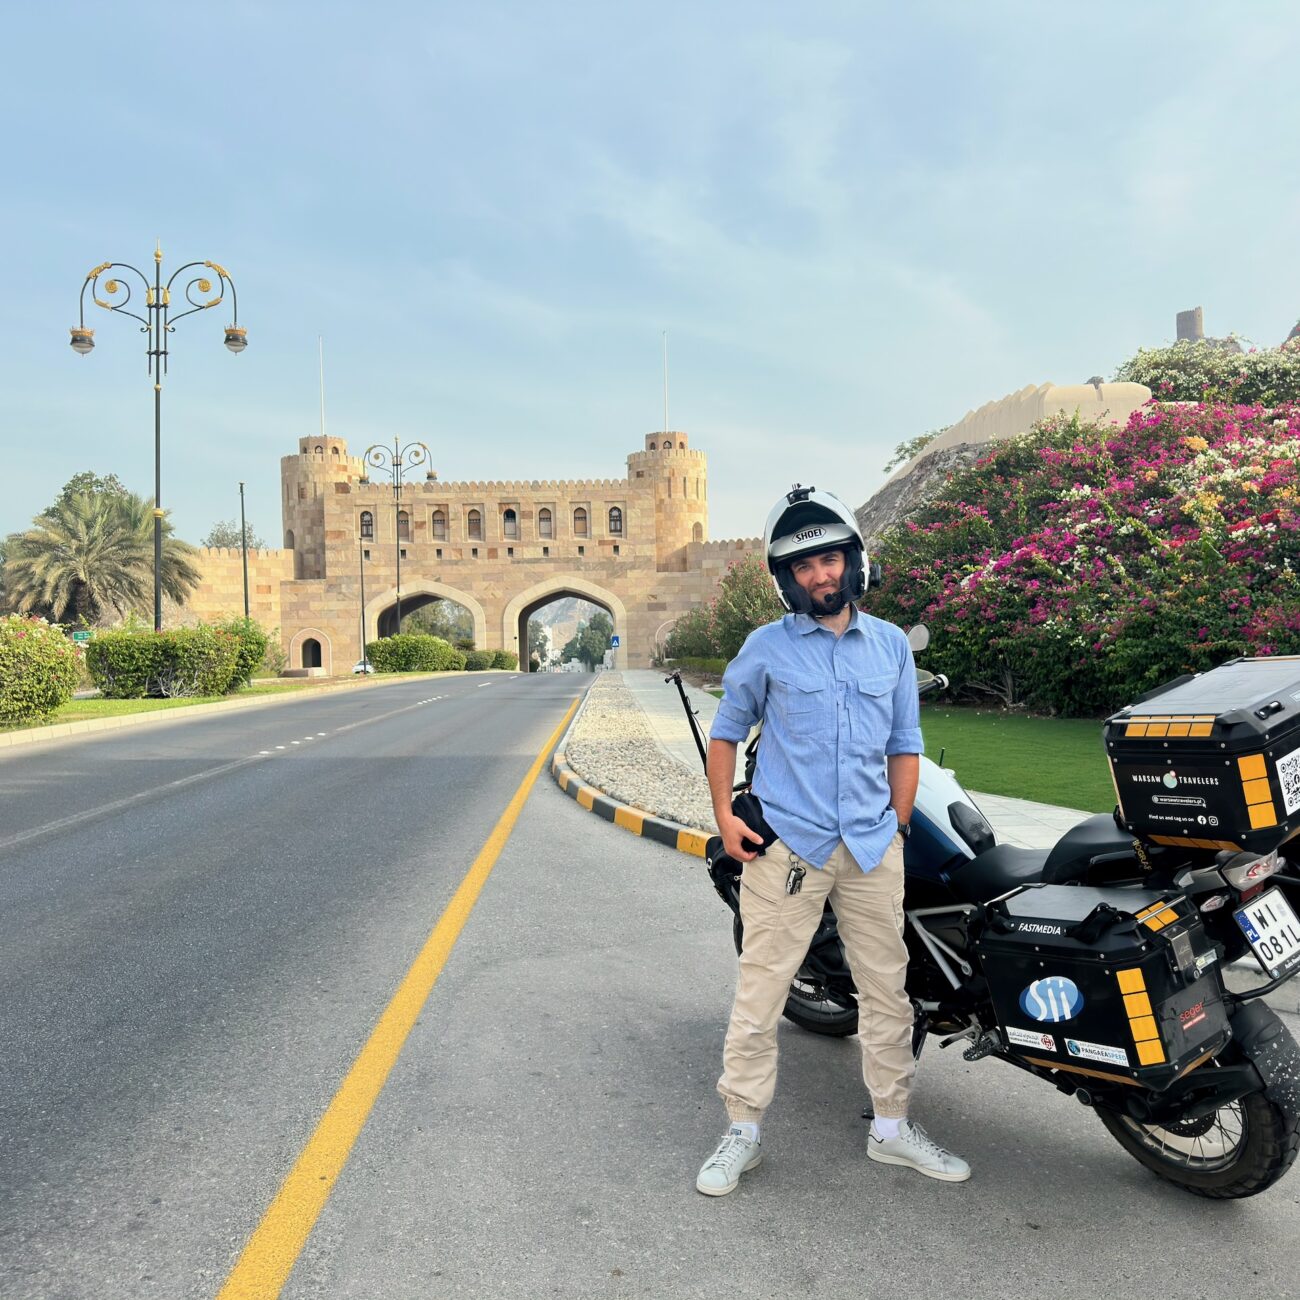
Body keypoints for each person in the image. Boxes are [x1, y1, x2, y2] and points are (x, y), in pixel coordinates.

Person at [695, 485, 970, 1196]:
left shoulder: (889, 647)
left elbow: (906, 744)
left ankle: (892, 1129)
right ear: (788, 581)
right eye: (804, 567)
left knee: (889, 994)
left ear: (854, 562)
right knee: (762, 993)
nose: (820, 575)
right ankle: (742, 1132)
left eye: (829, 559)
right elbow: (725, 734)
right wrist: (727, 818)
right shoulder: (766, 649)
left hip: (874, 849)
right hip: (791, 847)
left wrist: (900, 824)